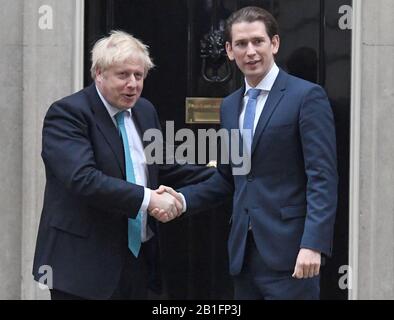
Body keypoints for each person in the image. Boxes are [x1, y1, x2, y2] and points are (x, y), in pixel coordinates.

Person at [153, 6, 338, 300]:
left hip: (293, 256)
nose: (250, 51)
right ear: (228, 50)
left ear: (274, 44)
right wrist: (182, 200)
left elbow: (322, 178)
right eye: (241, 44)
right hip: (244, 257)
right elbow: (228, 178)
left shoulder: (306, 96)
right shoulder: (229, 106)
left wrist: (313, 244)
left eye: (257, 41)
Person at [32, 30, 213, 300]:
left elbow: (160, 165)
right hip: (82, 265)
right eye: (123, 75)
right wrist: (150, 199)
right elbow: (83, 178)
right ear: (99, 74)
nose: (133, 84)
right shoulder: (68, 114)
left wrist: (212, 170)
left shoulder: (144, 111)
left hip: (137, 260)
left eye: (138, 76)